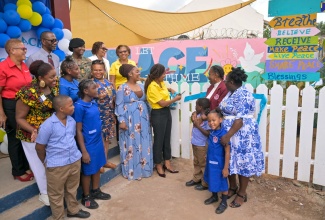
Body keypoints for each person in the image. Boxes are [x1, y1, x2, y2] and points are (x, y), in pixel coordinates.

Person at [35, 95, 90, 219]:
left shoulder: (71, 121)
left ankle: (73, 210)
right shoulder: (48, 125)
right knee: (56, 195)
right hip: (57, 166)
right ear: (61, 108)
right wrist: (46, 161)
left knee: (72, 189)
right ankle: (59, 217)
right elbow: (39, 147)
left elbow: (72, 138)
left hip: (74, 161)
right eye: (70, 105)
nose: (73, 107)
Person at [219, 67, 264, 208]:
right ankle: (233, 187)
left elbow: (240, 120)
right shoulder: (231, 93)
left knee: (243, 163)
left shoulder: (244, 95)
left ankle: (242, 193)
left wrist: (227, 136)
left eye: (226, 81)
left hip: (242, 135)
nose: (224, 83)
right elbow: (223, 109)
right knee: (230, 160)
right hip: (231, 134)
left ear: (231, 81)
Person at [16, 60, 59, 206]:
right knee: (39, 165)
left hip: (51, 132)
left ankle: (55, 189)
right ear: (40, 78)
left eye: (55, 75)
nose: (55, 79)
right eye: (51, 77)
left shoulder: (54, 85)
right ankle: (44, 193)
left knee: (51, 163)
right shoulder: (28, 92)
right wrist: (34, 130)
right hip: (32, 134)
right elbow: (19, 118)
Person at [73, 79, 111, 209]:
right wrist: (83, 151)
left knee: (97, 166)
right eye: (94, 88)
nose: (97, 90)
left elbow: (97, 124)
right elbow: (78, 130)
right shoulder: (79, 106)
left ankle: (96, 190)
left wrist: (101, 141)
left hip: (97, 142)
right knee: (87, 171)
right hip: (87, 144)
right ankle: (86, 196)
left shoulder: (93, 103)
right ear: (85, 91)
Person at [0, 39, 33, 182]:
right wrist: (1, 113)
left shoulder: (24, 65)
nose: (25, 51)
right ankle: (18, 171)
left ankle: (26, 166)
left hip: (25, 105)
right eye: (22, 49)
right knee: (15, 138)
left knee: (25, 136)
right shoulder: (3, 67)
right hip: (10, 105)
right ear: (12, 50)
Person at [116, 64, 153, 180]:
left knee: (144, 142)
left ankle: (144, 169)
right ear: (129, 74)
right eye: (136, 71)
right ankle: (132, 171)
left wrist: (150, 116)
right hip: (130, 120)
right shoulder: (122, 88)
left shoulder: (142, 86)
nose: (139, 73)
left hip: (143, 119)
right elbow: (119, 105)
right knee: (132, 143)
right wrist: (121, 121)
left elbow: (146, 103)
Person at [144, 63, 181, 178]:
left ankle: (167, 162)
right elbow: (162, 103)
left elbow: (164, 91)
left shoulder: (161, 83)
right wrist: (175, 98)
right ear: (157, 74)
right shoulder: (152, 87)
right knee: (159, 140)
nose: (165, 75)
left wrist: (170, 89)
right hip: (158, 113)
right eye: (163, 73)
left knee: (166, 138)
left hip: (166, 112)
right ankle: (158, 164)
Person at [193, 109, 230, 214]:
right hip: (210, 162)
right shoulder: (212, 132)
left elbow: (227, 152)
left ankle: (223, 202)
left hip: (220, 164)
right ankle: (214, 196)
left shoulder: (224, 135)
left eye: (214, 120)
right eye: (209, 121)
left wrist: (226, 168)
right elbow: (211, 146)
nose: (211, 123)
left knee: (222, 182)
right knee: (212, 179)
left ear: (220, 120)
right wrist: (206, 155)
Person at [91, 60, 117, 172]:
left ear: (104, 70)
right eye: (95, 70)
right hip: (96, 116)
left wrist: (114, 116)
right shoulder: (90, 84)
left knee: (106, 139)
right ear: (91, 71)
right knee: (98, 140)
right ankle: (98, 164)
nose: (98, 72)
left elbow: (114, 100)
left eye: (100, 70)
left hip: (109, 115)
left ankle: (105, 161)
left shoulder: (109, 84)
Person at [185, 98, 210, 187]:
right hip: (195, 142)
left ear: (201, 107)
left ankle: (205, 183)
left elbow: (208, 133)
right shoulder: (198, 115)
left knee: (203, 163)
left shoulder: (207, 119)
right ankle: (197, 178)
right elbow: (194, 120)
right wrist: (193, 117)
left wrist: (198, 126)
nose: (195, 107)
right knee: (196, 162)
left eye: (196, 105)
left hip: (202, 145)